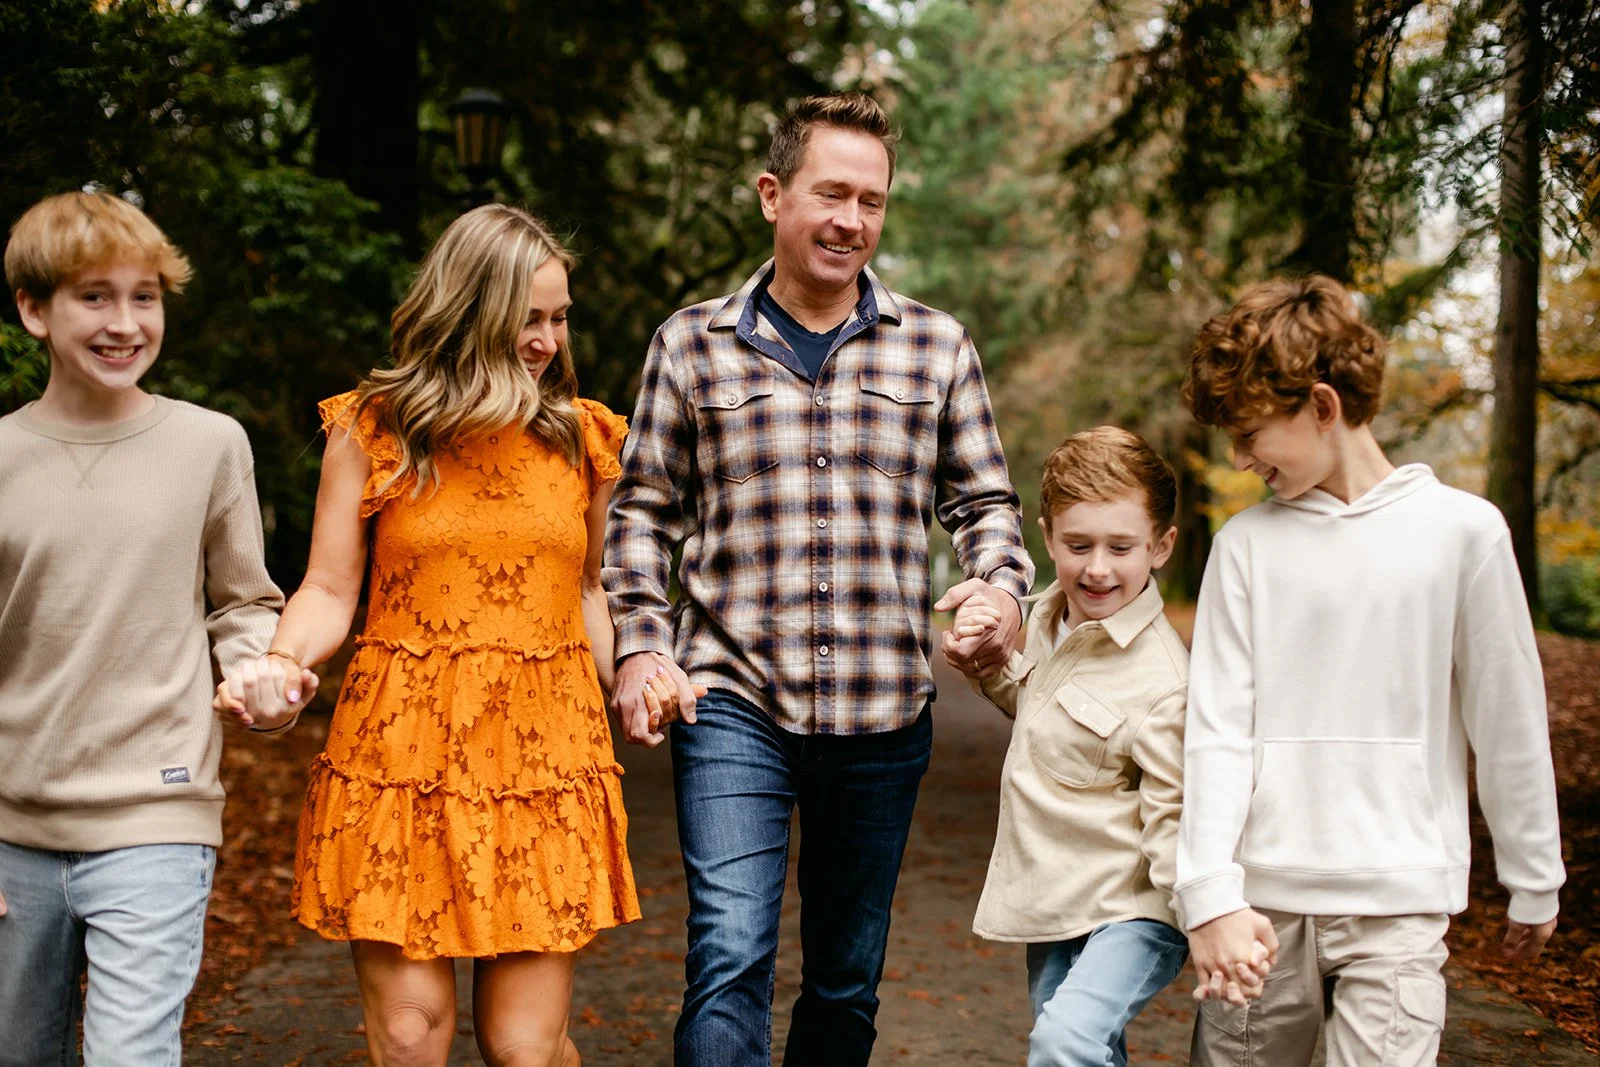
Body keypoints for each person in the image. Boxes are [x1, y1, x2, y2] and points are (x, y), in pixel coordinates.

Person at [603, 91, 1033, 1066]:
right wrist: (640, 647)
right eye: (831, 193)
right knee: (728, 957)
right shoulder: (691, 343)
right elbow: (642, 513)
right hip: (730, 697)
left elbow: (984, 503)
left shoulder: (935, 344)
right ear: (773, 194)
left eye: (871, 201)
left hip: (883, 709)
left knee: (843, 982)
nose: (852, 220)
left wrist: (1001, 589)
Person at [227, 204, 650, 1067]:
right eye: (528, 318)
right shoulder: (375, 428)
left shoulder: (585, 438)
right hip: (401, 760)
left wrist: (637, 674)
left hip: (543, 763)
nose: (548, 341)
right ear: (469, 311)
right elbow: (328, 587)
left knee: (524, 1049)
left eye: (560, 317)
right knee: (410, 1037)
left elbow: (587, 589)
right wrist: (279, 659)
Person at [1175, 275, 1566, 1065]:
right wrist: (1209, 892)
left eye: (1250, 433)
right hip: (1259, 914)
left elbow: (1507, 716)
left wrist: (1534, 873)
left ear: (1322, 405)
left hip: (1399, 906)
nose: (1241, 459)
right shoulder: (1245, 546)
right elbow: (1217, 731)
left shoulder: (1464, 533)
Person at [0, 190, 315, 1065]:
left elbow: (242, 602)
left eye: (145, 296)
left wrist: (260, 675)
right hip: (13, 830)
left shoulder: (209, 444)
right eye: (93, 296)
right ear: (33, 309)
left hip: (158, 814)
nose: (125, 322)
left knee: (130, 1055)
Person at [951, 427, 1192, 1066]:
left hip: (1135, 909)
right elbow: (1041, 709)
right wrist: (985, 661)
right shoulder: (1045, 618)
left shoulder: (1166, 682)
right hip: (1059, 895)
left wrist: (1206, 916)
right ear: (1048, 536)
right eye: (1079, 545)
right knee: (1085, 1051)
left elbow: (1176, 814)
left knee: (1064, 1043)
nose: (1098, 568)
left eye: (1121, 547)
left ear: (1161, 546)